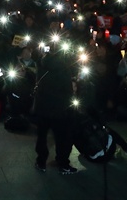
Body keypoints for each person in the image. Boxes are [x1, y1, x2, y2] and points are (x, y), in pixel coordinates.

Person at [32, 45, 78, 175]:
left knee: (41, 136)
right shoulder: (64, 68)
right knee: (61, 138)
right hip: (59, 108)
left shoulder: (41, 65)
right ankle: (63, 164)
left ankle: (41, 162)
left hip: (42, 107)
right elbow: (68, 90)